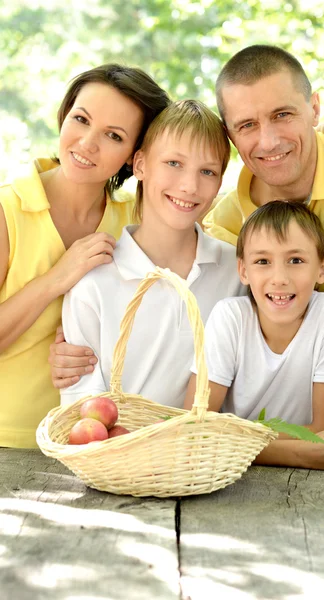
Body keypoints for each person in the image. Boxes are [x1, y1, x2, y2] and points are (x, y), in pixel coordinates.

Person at [202, 44, 324, 492]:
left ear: (314, 107)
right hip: (271, 449)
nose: (268, 140)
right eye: (247, 125)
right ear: (231, 138)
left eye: (283, 115)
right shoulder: (230, 221)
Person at [0, 63, 171, 448]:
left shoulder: (137, 220)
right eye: (81, 119)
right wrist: (55, 280)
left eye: (113, 135)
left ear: (134, 156)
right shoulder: (6, 209)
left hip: (101, 449)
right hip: (8, 442)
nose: (87, 143)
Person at [60, 100, 244, 408]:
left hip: (213, 453)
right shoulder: (93, 281)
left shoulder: (239, 272)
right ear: (140, 164)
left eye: (207, 171)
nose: (189, 185)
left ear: (219, 183)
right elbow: (82, 409)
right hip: (119, 453)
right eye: (174, 163)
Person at [185, 201, 324, 470]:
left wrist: (230, 442)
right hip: (231, 480)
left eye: (296, 260)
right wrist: (297, 453)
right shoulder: (230, 317)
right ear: (243, 270)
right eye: (263, 261)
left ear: (322, 268)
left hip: (294, 482)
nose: (279, 278)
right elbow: (195, 426)